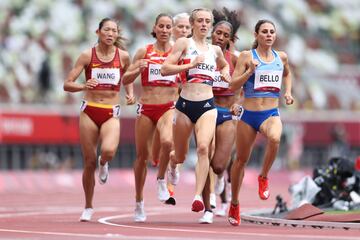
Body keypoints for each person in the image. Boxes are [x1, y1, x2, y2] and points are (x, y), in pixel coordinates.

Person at [63, 18, 135, 222]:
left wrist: (129, 93)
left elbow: (128, 78)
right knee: (88, 161)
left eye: (114, 31)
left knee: (109, 151)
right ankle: (88, 205)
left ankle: (105, 163)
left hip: (111, 110)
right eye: (107, 30)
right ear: (98, 32)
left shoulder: (123, 56)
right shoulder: (87, 55)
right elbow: (67, 84)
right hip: (90, 110)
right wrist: (84, 86)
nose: (110, 34)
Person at [161, 8, 231, 215]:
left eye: (207, 21)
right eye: (199, 20)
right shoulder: (184, 43)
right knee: (181, 156)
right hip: (184, 105)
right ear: (192, 23)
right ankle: (173, 165)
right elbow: (165, 69)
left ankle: (198, 196)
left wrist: (225, 74)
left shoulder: (215, 50)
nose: (203, 24)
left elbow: (224, 65)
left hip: (208, 105)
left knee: (203, 148)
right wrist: (190, 65)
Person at [227, 19, 294, 226]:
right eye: (264, 31)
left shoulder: (281, 57)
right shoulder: (248, 56)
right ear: (256, 35)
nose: (268, 35)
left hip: (270, 113)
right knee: (240, 160)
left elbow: (288, 74)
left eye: (271, 32)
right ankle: (235, 203)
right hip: (248, 115)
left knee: (275, 138)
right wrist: (249, 72)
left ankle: (263, 176)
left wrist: (288, 92)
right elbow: (232, 86)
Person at [122, 13, 178, 223]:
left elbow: (183, 77)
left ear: (172, 30)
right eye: (161, 26)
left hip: (168, 106)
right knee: (141, 157)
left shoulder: (176, 52)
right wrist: (138, 68)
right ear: (154, 28)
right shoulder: (143, 51)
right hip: (146, 107)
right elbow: (125, 78)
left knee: (167, 142)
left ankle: (161, 178)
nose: (164, 30)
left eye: (168, 27)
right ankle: (139, 202)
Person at [199, 7, 241, 223]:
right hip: (205, 110)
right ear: (211, 33)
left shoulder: (235, 59)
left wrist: (238, 106)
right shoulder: (200, 54)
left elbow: (245, 89)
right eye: (218, 33)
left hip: (226, 113)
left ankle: (220, 179)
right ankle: (208, 208)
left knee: (218, 165)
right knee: (204, 155)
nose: (221, 37)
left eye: (226, 35)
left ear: (230, 39)